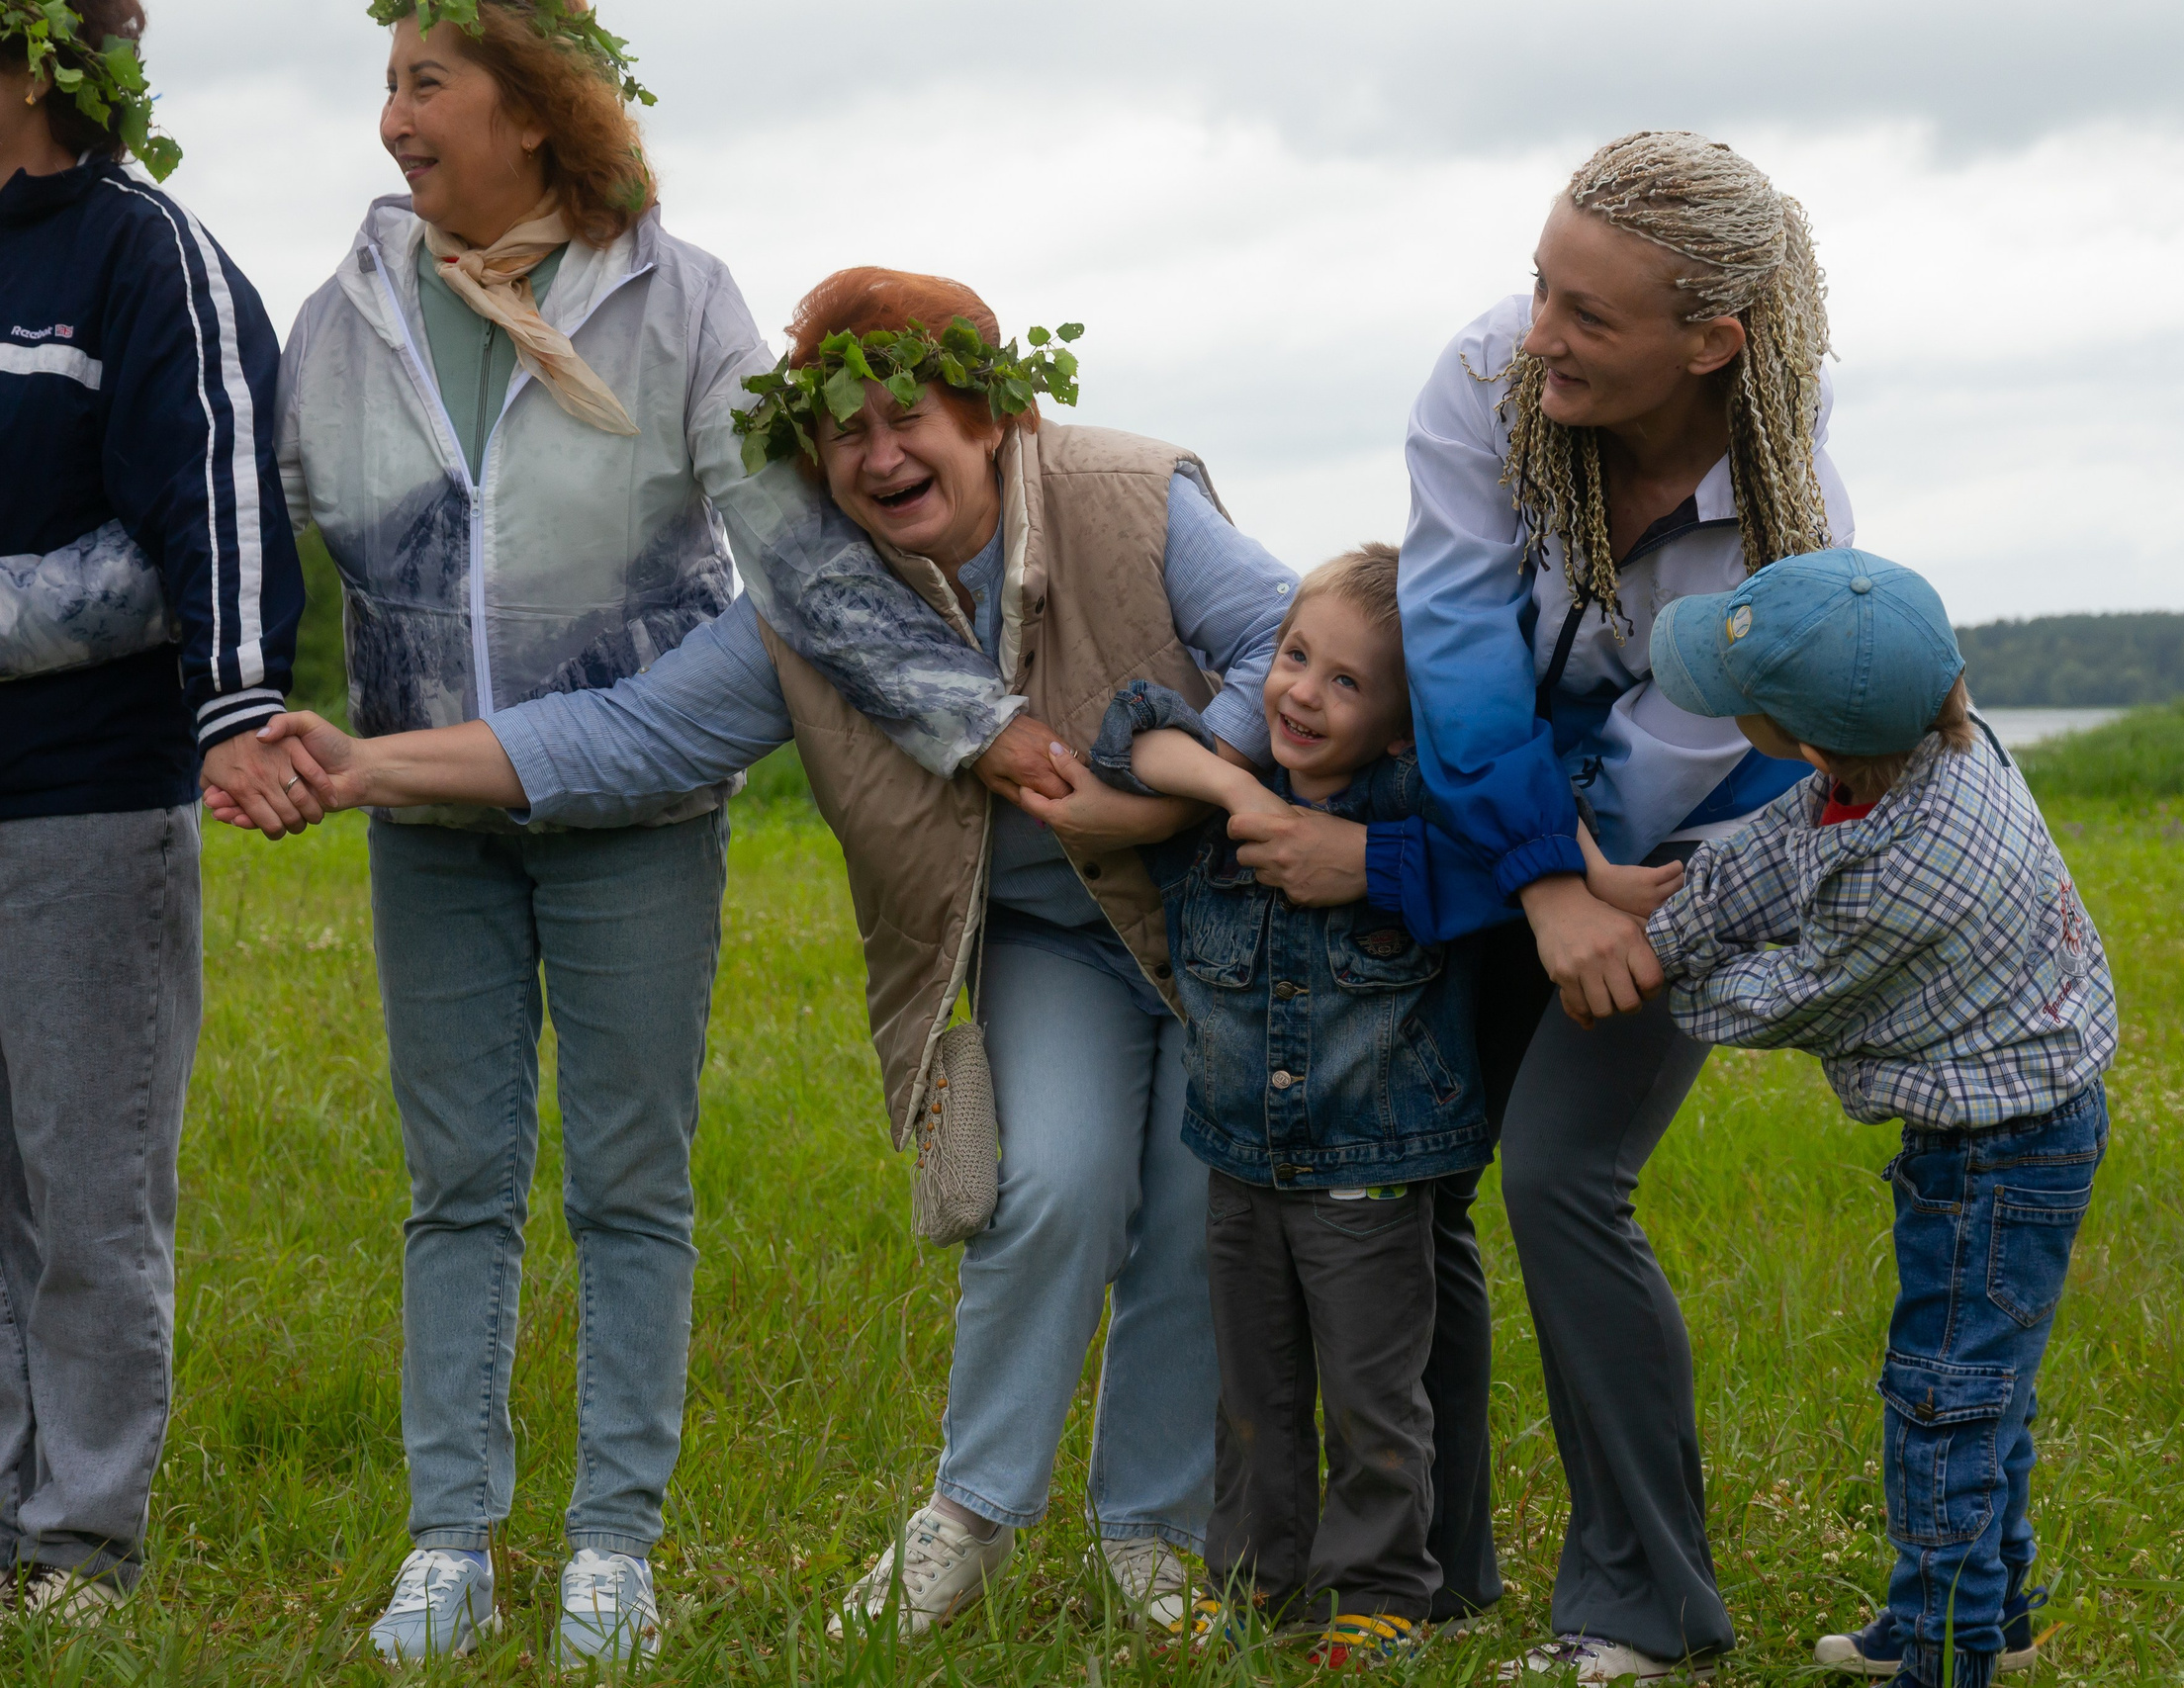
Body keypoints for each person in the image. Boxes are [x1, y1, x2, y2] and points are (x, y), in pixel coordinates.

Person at [228, 266, 1301, 1642]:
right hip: (1057, 937)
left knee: (1199, 1210)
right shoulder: (814, 605)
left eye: (911, 413)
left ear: (995, 419)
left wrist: (1172, 789)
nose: (879, 452)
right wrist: (368, 761)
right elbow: (629, 731)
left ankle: (1150, 1539)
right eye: (841, 431)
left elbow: (1281, 641)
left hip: (1228, 915)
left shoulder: (1129, 489)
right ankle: (967, 1517)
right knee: (1053, 1186)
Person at [272, 0, 895, 1662]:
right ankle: (449, 1544)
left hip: (638, 812)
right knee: (456, 1181)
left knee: (631, 1180)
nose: (395, 120)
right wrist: (253, 718)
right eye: (387, 85)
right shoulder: (343, 316)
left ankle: (614, 1544)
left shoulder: (677, 296)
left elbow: (790, 562)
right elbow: (271, 555)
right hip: (423, 810)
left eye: (428, 83)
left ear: (537, 110)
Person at [1223, 130, 1853, 1681]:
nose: (1540, 334)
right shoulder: (1491, 376)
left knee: (1564, 1171)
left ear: (1715, 342)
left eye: (1589, 313)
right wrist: (1536, 875)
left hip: (1686, 848)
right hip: (1505, 802)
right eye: (1539, 286)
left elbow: (1671, 757)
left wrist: (1579, 894)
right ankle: (1428, 1570)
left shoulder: (1786, 511)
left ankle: (1651, 1608)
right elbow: (1451, 634)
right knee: (1425, 1157)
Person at [1078, 547, 1690, 1667]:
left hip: (1373, 1163)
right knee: (1250, 1397)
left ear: (1406, 730)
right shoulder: (1220, 799)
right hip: (1239, 1161)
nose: (1303, 692)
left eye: (1346, 682)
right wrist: (1234, 785)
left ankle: (1382, 1591)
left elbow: (1527, 821)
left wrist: (1593, 878)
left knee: (1373, 1402)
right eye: (1295, 658)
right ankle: (1254, 1581)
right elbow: (1132, 734)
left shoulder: (1413, 815)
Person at [1640, 549, 2116, 1688]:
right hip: (2012, 1122)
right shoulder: (1925, 745)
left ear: (1795, 734)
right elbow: (1781, 845)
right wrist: (1657, 920)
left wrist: (1647, 973)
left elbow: (1787, 993)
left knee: (1943, 1398)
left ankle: (1946, 1656)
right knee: (1983, 1387)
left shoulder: (1908, 866)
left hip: (2000, 1150)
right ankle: (1975, 1618)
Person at [0, 0, 309, 1616]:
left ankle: (78, 1538)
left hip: (82, 807)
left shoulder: (144, 258)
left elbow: (203, 517)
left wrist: (243, 709)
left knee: (85, 1182)